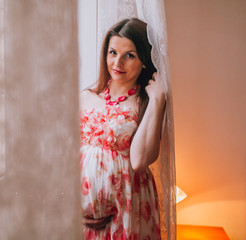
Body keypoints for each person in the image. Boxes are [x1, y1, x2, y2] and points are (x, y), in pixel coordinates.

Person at [80, 18, 166, 239]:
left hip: (128, 208)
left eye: (129, 55)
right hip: (80, 218)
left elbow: (138, 160)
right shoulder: (86, 97)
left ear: (144, 61)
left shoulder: (144, 104)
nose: (117, 63)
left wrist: (157, 101)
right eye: (113, 53)